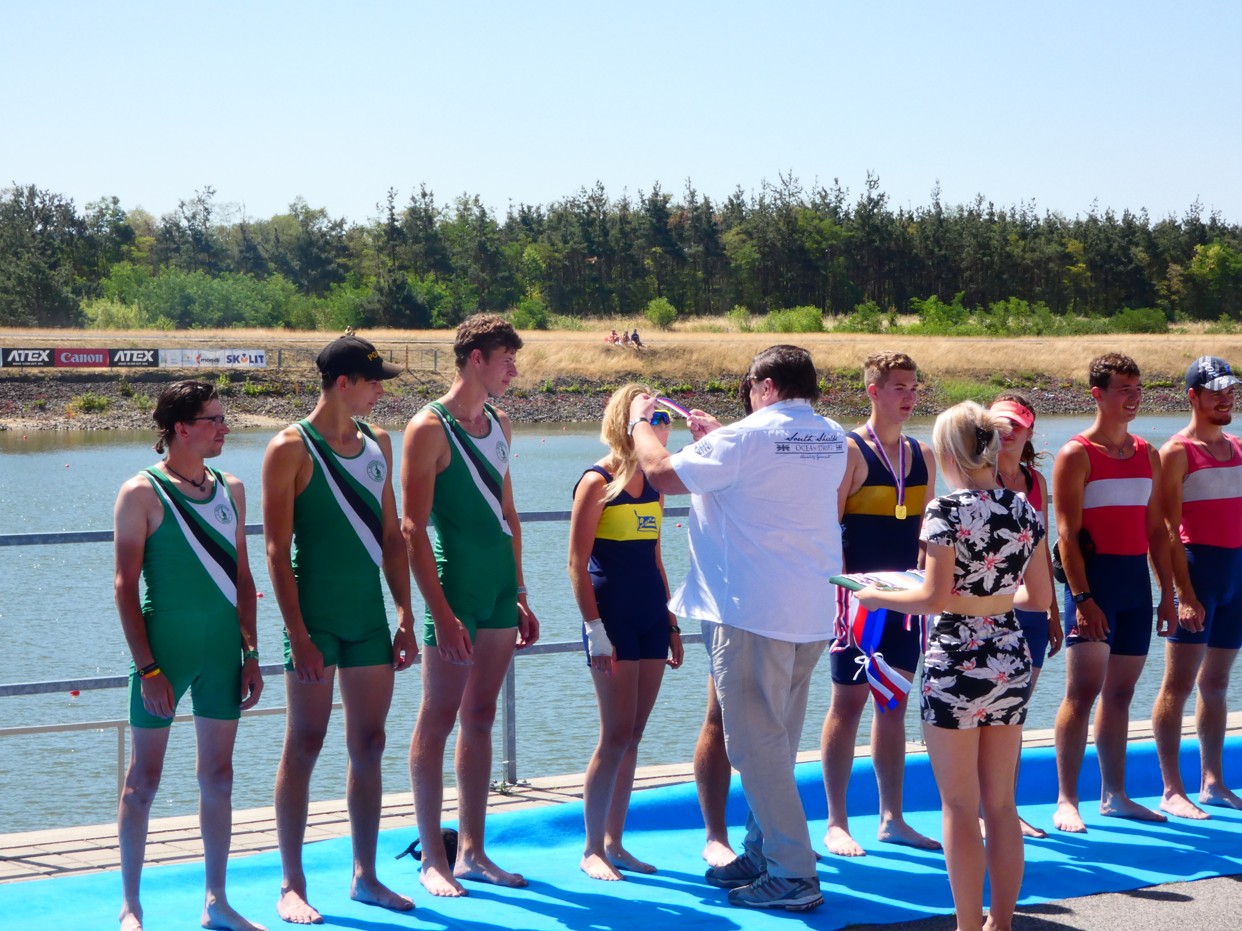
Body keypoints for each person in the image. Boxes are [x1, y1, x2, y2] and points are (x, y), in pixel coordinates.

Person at [628, 345, 847, 912]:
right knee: (778, 741)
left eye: (750, 387)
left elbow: (661, 474)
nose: (748, 396)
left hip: (752, 612)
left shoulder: (744, 439)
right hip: (810, 611)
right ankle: (763, 849)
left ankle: (793, 873)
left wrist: (639, 424)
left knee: (754, 747)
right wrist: (721, 438)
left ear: (766, 386)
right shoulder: (830, 435)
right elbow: (768, 471)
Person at [856, 401, 1051, 931]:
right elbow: (1038, 598)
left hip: (957, 660)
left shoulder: (945, 511)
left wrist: (876, 596)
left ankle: (967, 924)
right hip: (1009, 654)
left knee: (960, 806)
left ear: (948, 453)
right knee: (1002, 804)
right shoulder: (1023, 508)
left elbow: (933, 598)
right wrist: (992, 598)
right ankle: (1001, 923)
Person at [263, 334, 417, 924]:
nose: (381, 390)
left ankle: (365, 876)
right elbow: (276, 552)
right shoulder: (289, 448)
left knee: (369, 743)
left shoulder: (379, 442)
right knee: (305, 742)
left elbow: (392, 538)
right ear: (343, 383)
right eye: (374, 381)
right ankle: (292, 883)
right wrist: (299, 635)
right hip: (314, 620)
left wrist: (405, 614)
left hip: (367, 617)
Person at [114, 380, 264, 931]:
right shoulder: (141, 493)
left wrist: (252, 652)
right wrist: (149, 668)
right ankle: (131, 906)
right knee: (143, 780)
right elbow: (124, 587)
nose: (225, 427)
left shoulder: (233, 489)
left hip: (223, 652)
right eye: (214, 419)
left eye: (223, 418)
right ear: (181, 428)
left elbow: (243, 578)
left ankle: (216, 901)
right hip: (164, 655)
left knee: (218, 777)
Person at [402, 313, 540, 898]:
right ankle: (433, 857)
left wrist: (521, 590)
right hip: (456, 588)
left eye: (515, 360)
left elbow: (508, 512)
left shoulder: (501, 423)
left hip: (499, 587)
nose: (514, 370)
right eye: (506, 359)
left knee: (481, 716)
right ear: (475, 359)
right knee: (438, 716)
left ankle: (473, 853)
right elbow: (412, 528)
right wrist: (439, 611)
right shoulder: (427, 428)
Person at [820, 351, 940, 857]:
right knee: (847, 704)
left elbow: (930, 535)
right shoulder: (849, 451)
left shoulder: (923, 453)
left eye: (914, 387)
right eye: (898, 388)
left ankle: (892, 818)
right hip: (857, 603)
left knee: (893, 704)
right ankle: (836, 822)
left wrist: (926, 588)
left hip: (905, 601)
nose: (910, 397)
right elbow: (828, 532)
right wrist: (844, 597)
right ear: (873, 391)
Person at [1051, 352, 1176, 833]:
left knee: (1120, 693)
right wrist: (1083, 600)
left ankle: (1115, 795)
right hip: (1094, 586)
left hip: (1134, 588)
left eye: (1138, 389)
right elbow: (1066, 536)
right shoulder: (1076, 454)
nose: (1133, 398)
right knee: (1081, 693)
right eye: (1123, 389)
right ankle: (1067, 799)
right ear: (1097, 395)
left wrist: (1168, 594)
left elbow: (1157, 531)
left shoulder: (1148, 453)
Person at [568, 386, 685, 881]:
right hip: (611, 616)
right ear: (627, 421)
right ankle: (591, 847)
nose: (663, 425)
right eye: (653, 417)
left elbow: (656, 558)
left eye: (665, 417)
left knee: (634, 734)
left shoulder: (656, 485)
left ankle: (615, 842)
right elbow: (576, 563)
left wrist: (672, 622)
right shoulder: (596, 481)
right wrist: (594, 628)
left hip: (650, 615)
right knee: (614, 734)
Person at [1152, 356, 1242, 819]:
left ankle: (1213, 782)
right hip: (1198, 572)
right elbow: (1165, 529)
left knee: (1217, 682)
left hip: (1235, 575)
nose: (1226, 398)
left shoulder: (1239, 446)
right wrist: (1181, 595)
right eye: (1215, 392)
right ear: (1193, 396)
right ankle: (1172, 788)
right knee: (1179, 683)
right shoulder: (1176, 451)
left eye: (1230, 390)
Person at [990, 391, 1063, 838]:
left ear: (1030, 430)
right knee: (988, 715)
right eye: (998, 425)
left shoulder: (1036, 482)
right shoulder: (978, 475)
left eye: (1015, 425)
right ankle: (986, 811)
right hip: (988, 609)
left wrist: (1053, 611)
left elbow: (1043, 552)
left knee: (1014, 714)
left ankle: (1006, 808)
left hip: (1032, 611)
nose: (1006, 433)